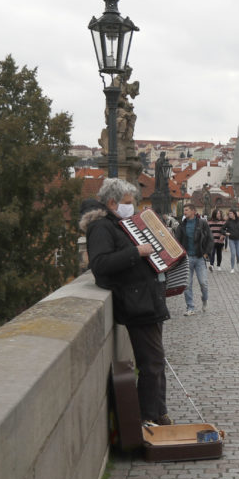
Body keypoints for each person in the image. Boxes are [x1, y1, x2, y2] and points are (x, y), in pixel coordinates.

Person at [82, 178, 173, 426]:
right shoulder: (101, 227)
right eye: (127, 203)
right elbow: (100, 265)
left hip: (146, 300)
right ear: (112, 202)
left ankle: (159, 413)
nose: (131, 207)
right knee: (151, 363)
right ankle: (148, 418)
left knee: (156, 361)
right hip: (136, 303)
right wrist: (137, 252)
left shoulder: (120, 224)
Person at [174, 202, 213, 316]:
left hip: (200, 258)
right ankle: (190, 307)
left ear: (193, 211)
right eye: (184, 210)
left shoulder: (202, 223)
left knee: (203, 283)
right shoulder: (181, 225)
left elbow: (210, 239)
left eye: (186, 210)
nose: (184, 212)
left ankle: (204, 300)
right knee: (187, 285)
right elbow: (177, 242)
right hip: (186, 259)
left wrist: (206, 253)